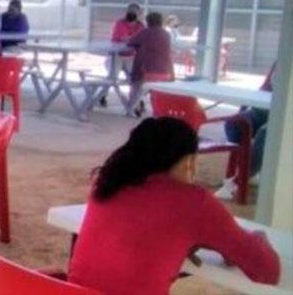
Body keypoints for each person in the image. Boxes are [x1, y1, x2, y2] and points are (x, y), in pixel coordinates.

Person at [68, 117, 280, 295]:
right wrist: (257, 236)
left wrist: (187, 241)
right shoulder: (194, 201)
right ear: (188, 162)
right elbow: (267, 270)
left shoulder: (108, 183)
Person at [218, 62, 276, 199]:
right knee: (234, 123)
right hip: (263, 111)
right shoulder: (282, 61)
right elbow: (265, 89)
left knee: (265, 133)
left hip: (284, 117)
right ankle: (247, 170)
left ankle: (239, 180)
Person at [126, 12, 174, 117]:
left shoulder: (145, 32)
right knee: (156, 90)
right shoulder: (166, 34)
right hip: (164, 71)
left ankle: (131, 109)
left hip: (146, 71)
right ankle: (157, 111)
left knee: (136, 87)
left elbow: (130, 42)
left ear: (148, 22)